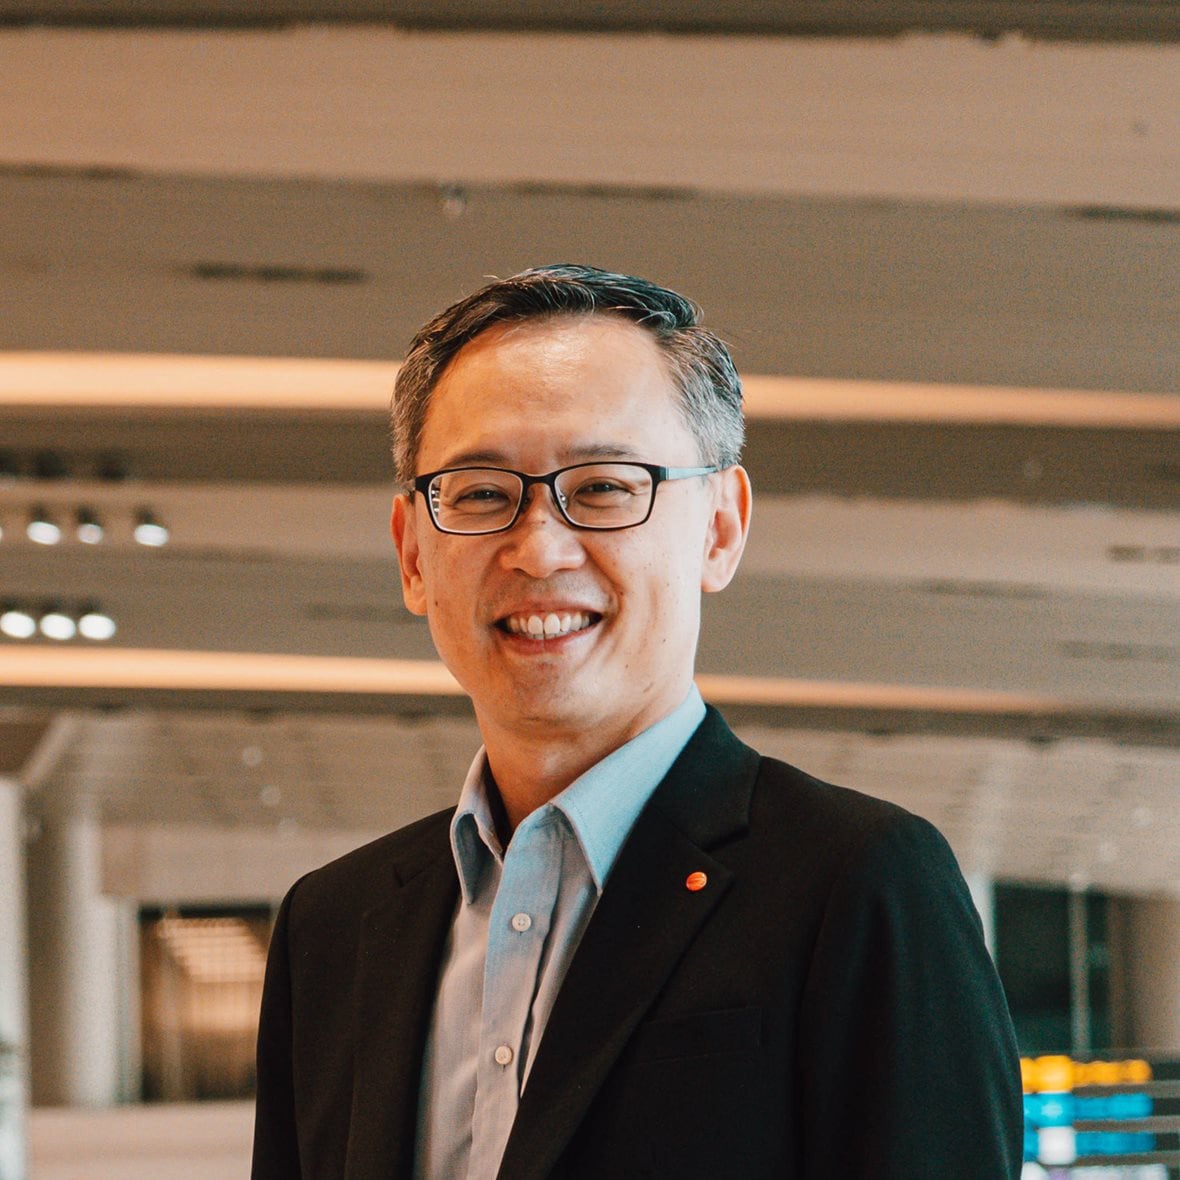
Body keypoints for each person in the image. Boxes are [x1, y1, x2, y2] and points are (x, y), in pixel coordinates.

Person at [252, 264, 1023, 1179]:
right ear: (412, 553)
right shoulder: (334, 930)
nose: (537, 548)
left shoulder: (855, 887)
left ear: (720, 528)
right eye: (481, 494)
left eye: (608, 488)